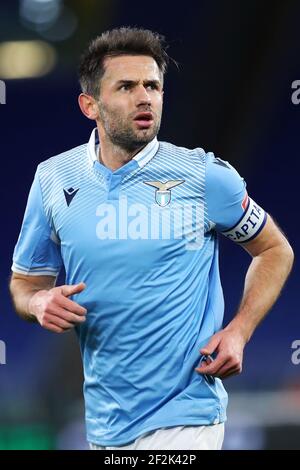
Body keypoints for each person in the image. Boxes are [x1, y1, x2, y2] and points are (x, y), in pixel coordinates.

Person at [9, 27, 294, 450]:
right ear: (90, 105)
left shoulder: (204, 176)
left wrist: (239, 331)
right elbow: (25, 283)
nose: (145, 97)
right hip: (105, 424)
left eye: (153, 86)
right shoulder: (53, 179)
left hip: (188, 416)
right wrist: (37, 302)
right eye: (126, 86)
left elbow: (274, 249)